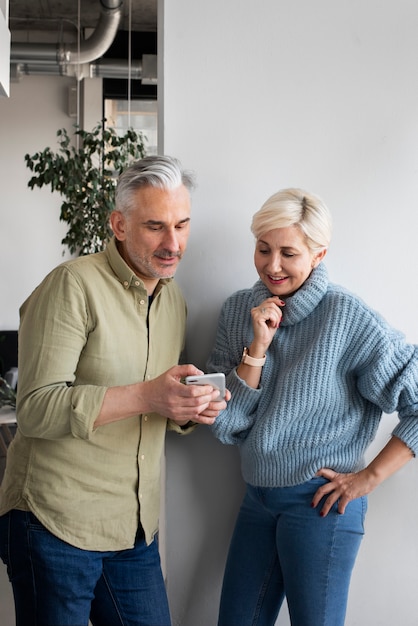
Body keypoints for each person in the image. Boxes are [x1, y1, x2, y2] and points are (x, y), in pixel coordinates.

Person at [0, 155, 228, 626]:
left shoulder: (173, 300)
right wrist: (148, 395)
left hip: (134, 529)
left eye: (182, 225)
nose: (174, 244)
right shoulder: (72, 286)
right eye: (156, 226)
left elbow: (156, 405)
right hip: (54, 521)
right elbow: (37, 408)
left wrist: (188, 408)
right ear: (119, 224)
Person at [207, 187, 418, 626]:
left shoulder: (347, 316)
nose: (273, 265)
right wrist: (257, 349)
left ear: (319, 255)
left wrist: (368, 479)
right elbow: (226, 424)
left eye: (289, 252)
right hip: (257, 498)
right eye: (263, 249)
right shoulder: (236, 313)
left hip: (320, 503)